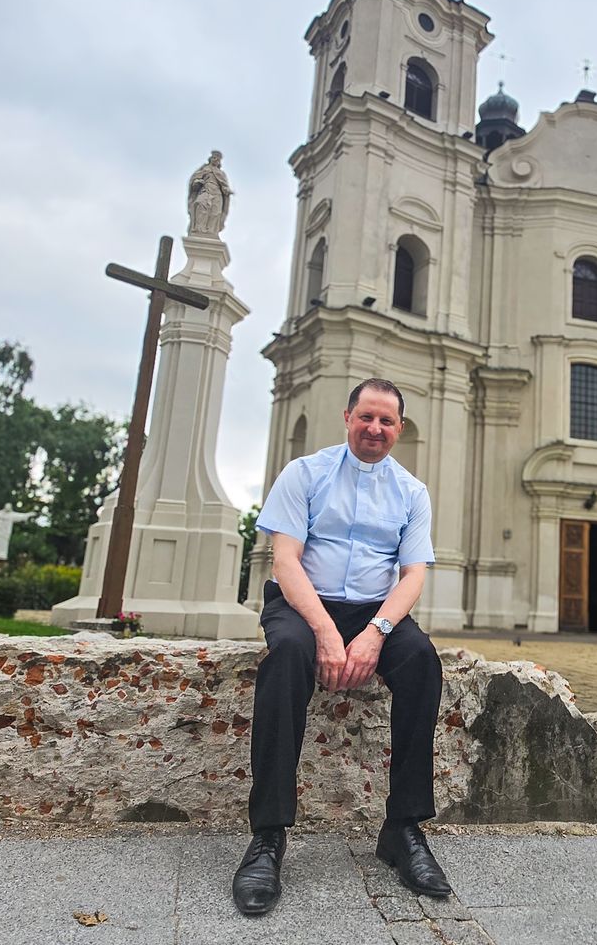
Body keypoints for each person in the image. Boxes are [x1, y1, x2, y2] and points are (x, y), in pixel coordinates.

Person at [232, 378, 451, 916]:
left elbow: (412, 574)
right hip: (303, 600)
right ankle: (267, 838)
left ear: (399, 429)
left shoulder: (412, 491)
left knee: (422, 660)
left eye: (387, 421)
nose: (376, 429)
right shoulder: (304, 473)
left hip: (376, 610)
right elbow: (285, 562)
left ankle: (403, 830)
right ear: (347, 416)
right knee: (287, 657)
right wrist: (328, 634)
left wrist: (375, 633)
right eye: (367, 417)